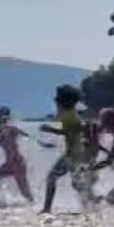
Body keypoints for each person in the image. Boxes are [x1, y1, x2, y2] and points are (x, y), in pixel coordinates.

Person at [40, 85, 95, 214]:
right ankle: (94, 206)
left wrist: (50, 129)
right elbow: (74, 131)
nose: (55, 101)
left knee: (52, 177)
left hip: (73, 154)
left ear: (63, 102)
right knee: (78, 185)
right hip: (77, 153)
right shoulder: (70, 115)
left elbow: (71, 131)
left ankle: (47, 209)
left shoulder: (68, 115)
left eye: (57, 99)